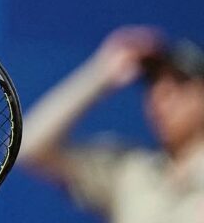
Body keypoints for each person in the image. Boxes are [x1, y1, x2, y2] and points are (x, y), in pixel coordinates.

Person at [19, 26, 204, 222]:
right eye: (153, 83)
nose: (160, 95)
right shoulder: (130, 171)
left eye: (180, 82)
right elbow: (28, 147)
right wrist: (101, 73)